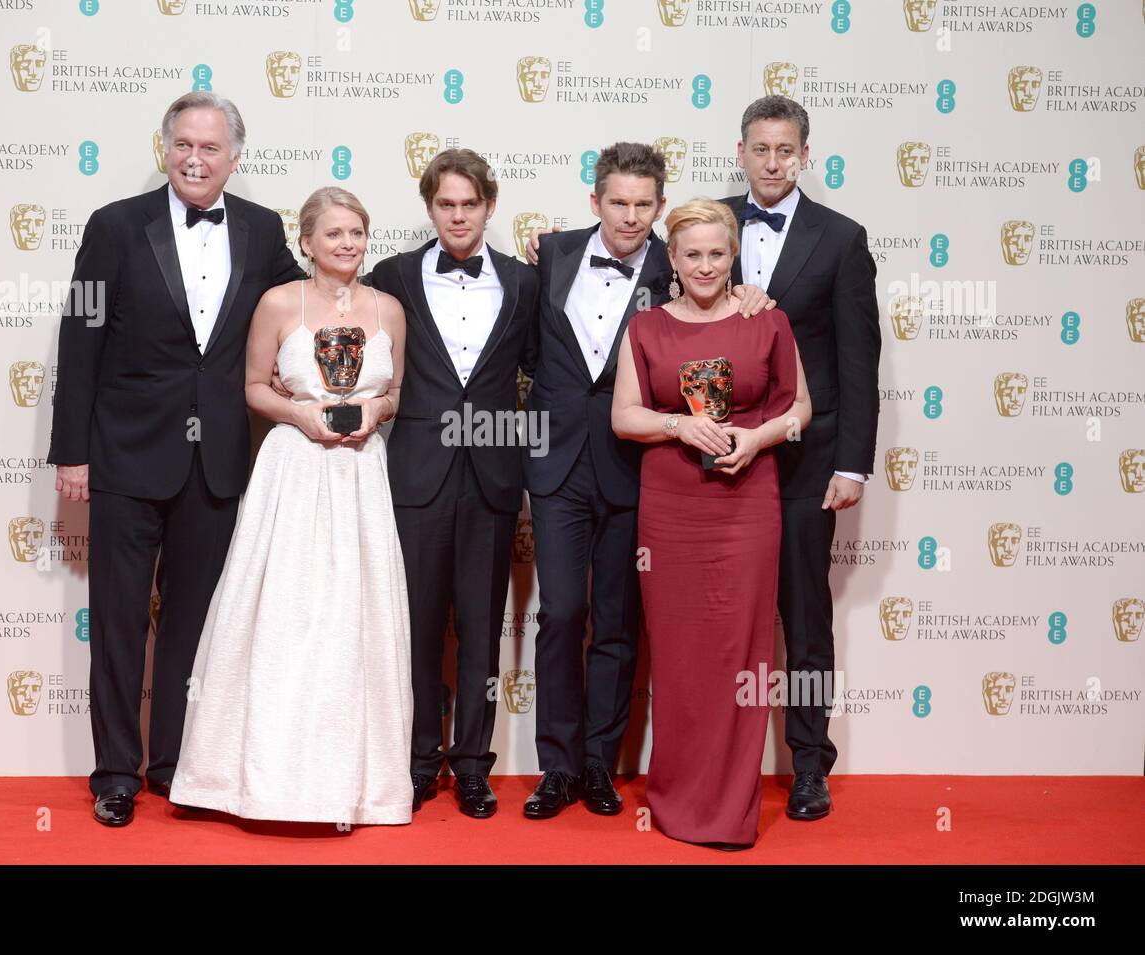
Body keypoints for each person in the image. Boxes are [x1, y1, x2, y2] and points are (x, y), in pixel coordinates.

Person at [48, 91, 305, 827]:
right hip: (127, 456)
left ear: (235, 156)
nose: (196, 159)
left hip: (219, 458)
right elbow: (81, 338)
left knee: (196, 621)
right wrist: (73, 453)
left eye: (211, 147)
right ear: (165, 149)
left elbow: (310, 298)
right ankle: (116, 773)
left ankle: (174, 764)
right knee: (123, 621)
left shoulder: (260, 229)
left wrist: (387, 293)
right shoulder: (115, 225)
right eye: (184, 145)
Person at [520, 143, 771, 819]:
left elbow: (734, 323)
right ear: (594, 201)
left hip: (640, 469)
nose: (630, 217)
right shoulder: (551, 256)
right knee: (561, 612)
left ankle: (600, 763)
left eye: (642, 205)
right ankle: (557, 765)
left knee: (618, 624)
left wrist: (750, 290)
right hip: (555, 463)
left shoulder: (683, 264)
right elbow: (521, 353)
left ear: (660, 207)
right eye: (617, 203)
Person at [170, 186, 413, 825]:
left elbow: (398, 393)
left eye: (357, 232)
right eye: (333, 234)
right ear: (306, 242)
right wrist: (302, 416)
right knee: (283, 613)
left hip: (361, 474)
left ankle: (357, 787)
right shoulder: (277, 303)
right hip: (294, 469)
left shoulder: (389, 308)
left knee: (355, 618)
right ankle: (251, 780)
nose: (347, 244)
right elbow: (253, 387)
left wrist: (372, 411)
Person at [612, 198, 811, 848]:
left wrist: (756, 439)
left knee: (740, 655)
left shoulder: (769, 322)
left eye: (716, 253)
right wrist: (678, 423)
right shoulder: (645, 327)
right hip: (671, 511)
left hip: (748, 505)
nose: (704, 265)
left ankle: (729, 808)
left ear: (734, 257)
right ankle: (675, 797)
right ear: (674, 257)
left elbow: (799, 408)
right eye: (691, 253)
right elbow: (626, 417)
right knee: (679, 657)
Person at [368, 149, 538, 818]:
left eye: (470, 204)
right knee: (414, 627)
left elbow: (549, 370)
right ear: (430, 207)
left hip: (494, 478)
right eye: (446, 204)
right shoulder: (392, 277)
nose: (459, 215)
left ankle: (472, 764)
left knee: (480, 629)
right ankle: (415, 761)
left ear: (489, 206)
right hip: (416, 473)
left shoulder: (526, 282)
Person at [723, 96, 880, 821]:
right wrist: (551, 244)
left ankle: (810, 763)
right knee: (721, 617)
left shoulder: (842, 239)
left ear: (805, 155)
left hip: (806, 459)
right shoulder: (704, 224)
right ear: (742, 151)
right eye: (761, 148)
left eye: (786, 149)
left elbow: (857, 360)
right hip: (718, 456)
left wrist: (853, 463)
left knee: (805, 617)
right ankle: (719, 768)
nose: (774, 161)